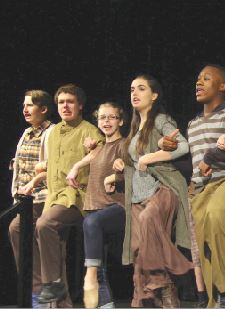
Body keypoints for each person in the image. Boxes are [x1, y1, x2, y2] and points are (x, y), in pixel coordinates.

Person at [161, 64, 225, 307]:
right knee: (206, 246)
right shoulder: (192, 125)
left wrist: (212, 156)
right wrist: (165, 150)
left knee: (217, 215)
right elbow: (193, 164)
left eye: (206, 78)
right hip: (200, 188)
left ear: (222, 86)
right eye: (198, 78)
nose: (198, 82)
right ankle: (217, 301)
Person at [117, 74, 193, 307]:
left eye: (141, 89)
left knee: (149, 219)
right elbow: (134, 162)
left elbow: (183, 145)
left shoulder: (160, 120)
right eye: (132, 89)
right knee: (140, 249)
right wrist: (118, 170)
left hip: (162, 188)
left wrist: (151, 156)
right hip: (137, 195)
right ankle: (153, 298)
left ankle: (168, 283)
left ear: (154, 95)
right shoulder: (135, 127)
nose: (135, 93)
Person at [35, 84, 104, 306]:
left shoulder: (89, 131)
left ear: (80, 105)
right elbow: (54, 169)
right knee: (22, 229)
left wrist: (91, 151)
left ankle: (51, 283)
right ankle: (58, 300)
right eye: (61, 102)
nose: (65, 106)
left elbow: (104, 156)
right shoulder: (53, 133)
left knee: (45, 225)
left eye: (70, 101)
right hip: (54, 197)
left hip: (79, 198)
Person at [65, 102, 127, 308]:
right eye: (102, 118)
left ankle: (88, 276)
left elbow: (131, 168)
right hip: (95, 210)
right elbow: (89, 159)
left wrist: (117, 175)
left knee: (91, 225)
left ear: (121, 121)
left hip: (117, 207)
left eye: (111, 117)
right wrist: (75, 167)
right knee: (100, 269)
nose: (106, 122)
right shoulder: (98, 148)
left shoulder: (125, 144)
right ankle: (105, 304)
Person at [9, 90, 54, 308]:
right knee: (16, 230)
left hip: (44, 198)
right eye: (24, 105)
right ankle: (36, 291)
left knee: (20, 230)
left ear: (43, 109)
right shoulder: (27, 133)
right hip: (24, 200)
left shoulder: (51, 132)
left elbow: (53, 165)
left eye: (30, 105)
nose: (25, 109)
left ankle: (41, 292)